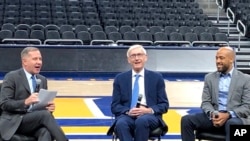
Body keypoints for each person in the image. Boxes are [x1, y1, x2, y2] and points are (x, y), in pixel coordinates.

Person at [181, 46, 250, 141]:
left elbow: (247, 106)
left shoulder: (245, 79)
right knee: (186, 120)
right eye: (216, 58)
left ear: (231, 60)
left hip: (235, 118)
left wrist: (228, 114)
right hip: (214, 116)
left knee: (232, 124)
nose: (218, 61)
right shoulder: (209, 78)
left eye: (221, 58)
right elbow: (205, 102)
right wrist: (214, 114)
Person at [0, 47, 68, 141]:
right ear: (25, 61)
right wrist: (25, 102)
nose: (39, 62)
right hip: (13, 121)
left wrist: (49, 108)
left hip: (32, 122)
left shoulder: (42, 80)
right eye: (35, 59)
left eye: (40, 59)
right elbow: (4, 104)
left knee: (45, 131)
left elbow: (41, 108)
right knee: (44, 115)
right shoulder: (12, 77)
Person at [110, 44, 169, 141]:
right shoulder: (120, 79)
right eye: (133, 56)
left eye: (139, 55)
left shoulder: (156, 78)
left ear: (145, 58)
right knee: (121, 123)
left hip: (150, 116)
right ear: (128, 60)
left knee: (142, 121)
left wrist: (148, 110)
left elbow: (164, 105)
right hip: (127, 115)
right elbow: (115, 106)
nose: (136, 58)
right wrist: (128, 111)